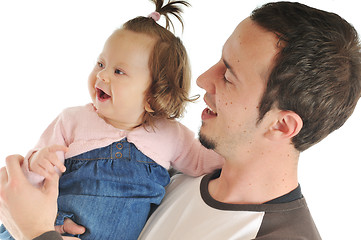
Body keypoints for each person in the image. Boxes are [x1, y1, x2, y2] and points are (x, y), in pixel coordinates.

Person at [1, 1, 361, 240]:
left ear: (282, 125)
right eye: (220, 60)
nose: (204, 78)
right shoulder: (175, 175)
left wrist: (34, 232)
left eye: (230, 75)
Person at [0, 0, 224, 240]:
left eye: (119, 71)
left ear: (154, 96)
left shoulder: (172, 136)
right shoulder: (72, 120)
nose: (102, 75)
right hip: (50, 228)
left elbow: (204, 161)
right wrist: (36, 164)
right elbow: (27, 186)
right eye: (101, 63)